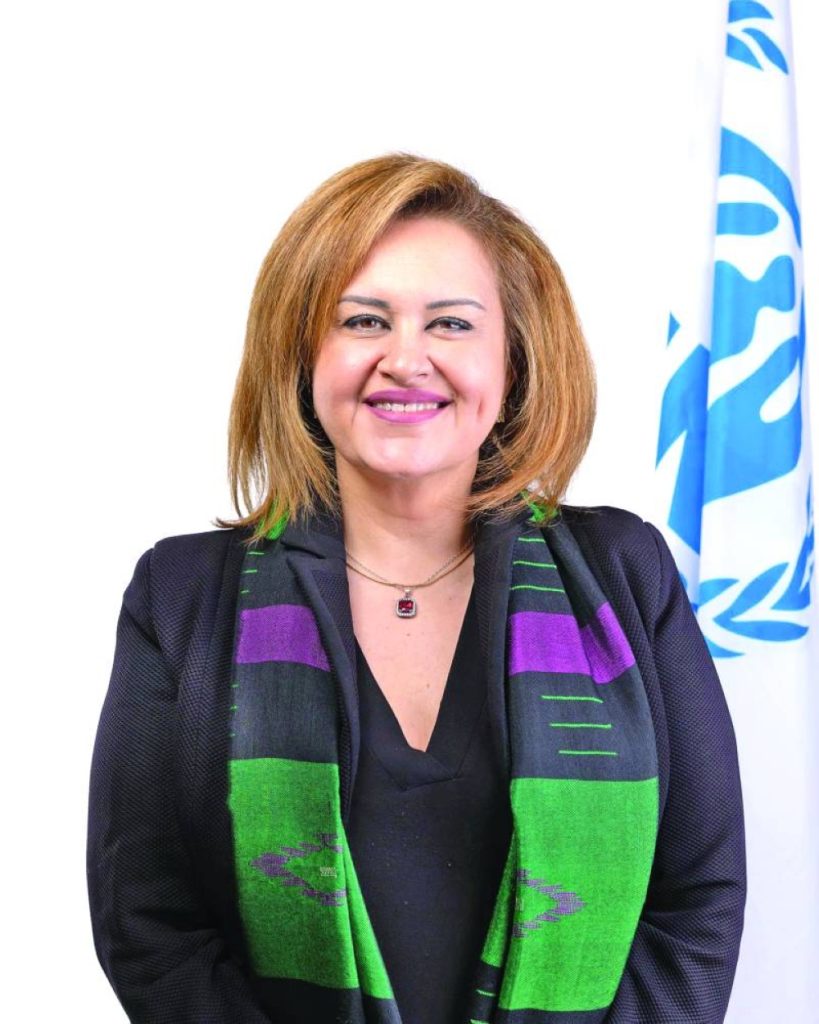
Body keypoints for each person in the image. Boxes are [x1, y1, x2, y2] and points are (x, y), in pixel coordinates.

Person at [87, 154, 746, 1024]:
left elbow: (695, 903)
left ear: (513, 360)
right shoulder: (181, 596)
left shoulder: (624, 575)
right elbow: (149, 922)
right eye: (362, 320)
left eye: (451, 324)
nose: (405, 359)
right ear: (300, 355)